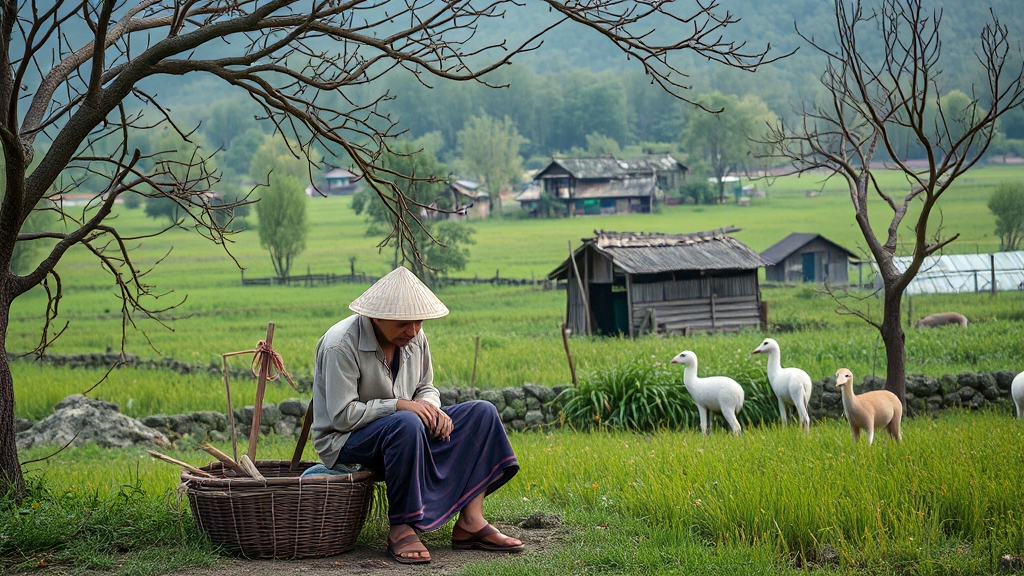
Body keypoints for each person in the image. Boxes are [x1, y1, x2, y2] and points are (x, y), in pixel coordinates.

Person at [311, 266, 522, 564]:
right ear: (375, 317)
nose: (412, 331)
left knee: (482, 413)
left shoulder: (413, 338)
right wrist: (400, 405)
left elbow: (426, 387)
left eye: (418, 322)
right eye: (402, 323)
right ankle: (401, 527)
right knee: (406, 422)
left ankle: (471, 522)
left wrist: (432, 410)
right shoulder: (340, 345)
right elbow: (342, 417)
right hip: (346, 441)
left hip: (404, 431)